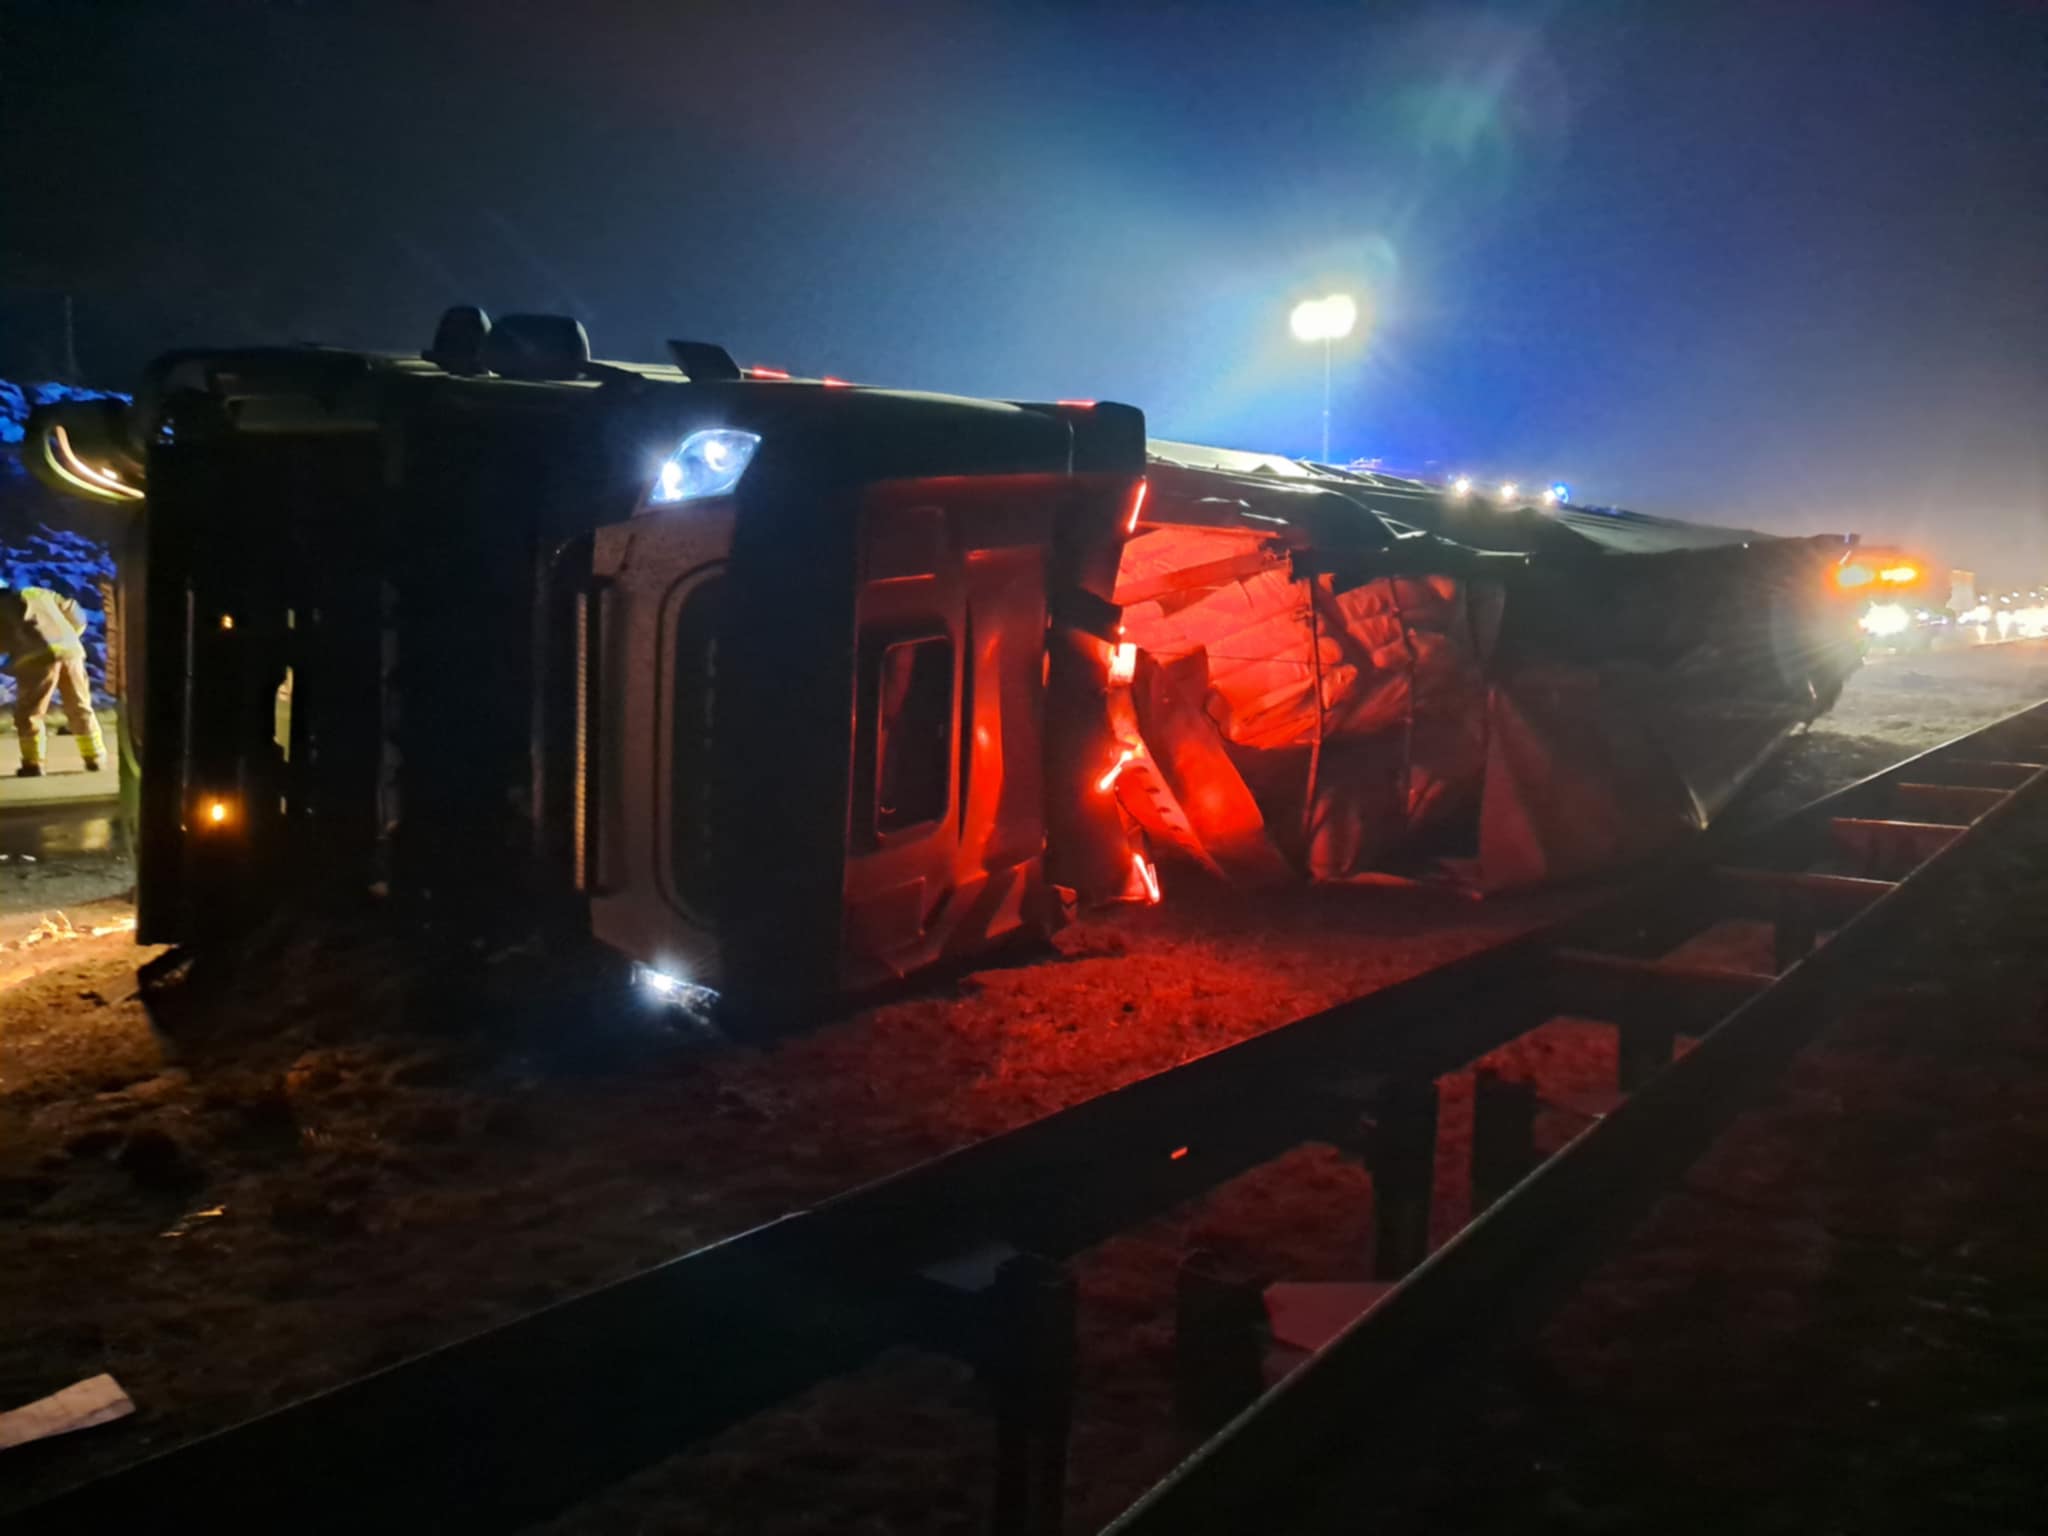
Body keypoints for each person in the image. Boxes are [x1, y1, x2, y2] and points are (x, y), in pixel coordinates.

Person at [0, 578, 106, 777]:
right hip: (71, 652)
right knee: (79, 705)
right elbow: (76, 614)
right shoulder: (38, 593)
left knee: (30, 713)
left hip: (36, 659)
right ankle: (95, 757)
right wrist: (69, 635)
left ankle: (33, 763)